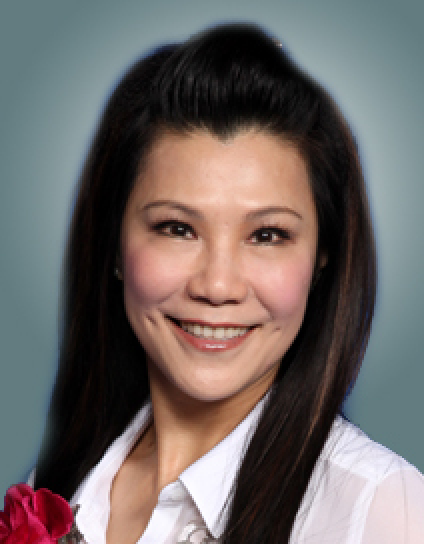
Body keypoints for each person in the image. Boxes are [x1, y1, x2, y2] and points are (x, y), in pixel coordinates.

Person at [31, 23, 424, 543]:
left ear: (320, 260)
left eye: (267, 235)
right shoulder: (57, 488)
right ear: (115, 244)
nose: (217, 286)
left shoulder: (382, 511)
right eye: (177, 228)